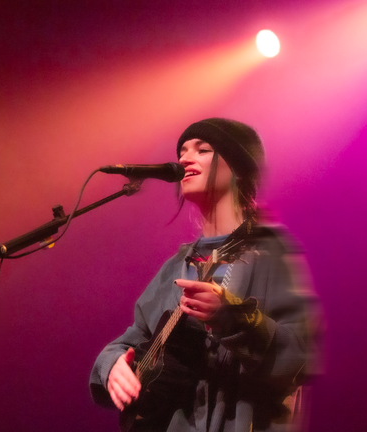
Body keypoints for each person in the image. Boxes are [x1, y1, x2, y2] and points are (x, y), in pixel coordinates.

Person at [90, 118, 324, 432]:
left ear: (239, 167)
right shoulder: (177, 265)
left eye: (203, 150)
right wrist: (112, 366)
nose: (184, 159)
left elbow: (300, 355)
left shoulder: (271, 251)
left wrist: (232, 318)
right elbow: (130, 341)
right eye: (182, 151)